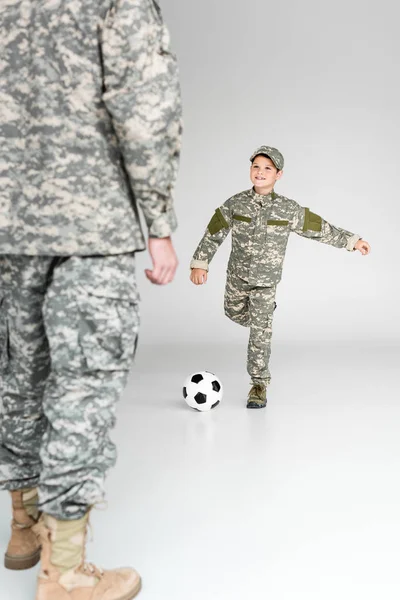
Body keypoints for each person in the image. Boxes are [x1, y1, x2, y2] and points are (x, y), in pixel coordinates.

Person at [0, 1, 182, 599]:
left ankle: (23, 530)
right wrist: (158, 222)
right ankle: (67, 572)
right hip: (91, 222)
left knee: (17, 372)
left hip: (5, 220)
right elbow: (145, 107)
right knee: (82, 386)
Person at [190, 146, 370, 408]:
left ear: (278, 175)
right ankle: (262, 317)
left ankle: (258, 384)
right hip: (237, 277)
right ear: (250, 170)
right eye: (256, 167)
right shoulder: (235, 203)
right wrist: (200, 263)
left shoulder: (288, 210)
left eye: (267, 169)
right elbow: (213, 232)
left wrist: (352, 241)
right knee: (233, 313)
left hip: (266, 281)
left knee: (260, 331)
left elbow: (320, 228)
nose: (260, 172)